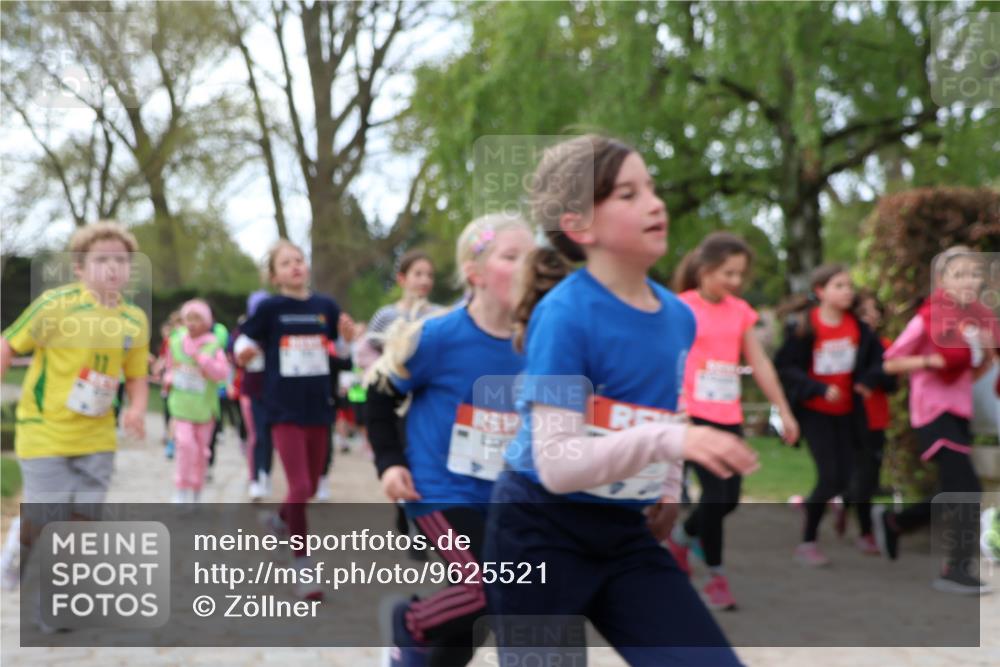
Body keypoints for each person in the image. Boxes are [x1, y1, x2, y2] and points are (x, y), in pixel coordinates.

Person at [484, 135, 758, 666]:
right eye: (628, 194)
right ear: (580, 226)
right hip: (538, 534)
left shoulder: (678, 316)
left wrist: (671, 481)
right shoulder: (566, 316)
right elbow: (559, 465)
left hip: (625, 535)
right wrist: (672, 441)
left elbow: (664, 407)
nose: (655, 203)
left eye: (651, 187)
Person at [366, 213, 534, 667]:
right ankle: (411, 620)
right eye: (511, 256)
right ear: (475, 272)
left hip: (502, 497)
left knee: (489, 609)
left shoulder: (539, 343)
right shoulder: (437, 337)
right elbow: (377, 398)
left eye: (532, 258)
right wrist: (389, 463)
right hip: (436, 492)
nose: (526, 268)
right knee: (490, 585)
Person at [0, 221, 149, 596]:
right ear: (80, 268)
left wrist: (137, 409)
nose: (113, 267)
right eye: (101, 259)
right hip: (44, 429)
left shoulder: (135, 319)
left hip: (97, 436)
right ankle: (24, 541)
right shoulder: (55, 306)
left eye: (121, 260)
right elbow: (8, 345)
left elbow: (136, 376)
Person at [667, 232, 800, 610]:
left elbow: (759, 363)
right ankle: (717, 578)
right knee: (713, 495)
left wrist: (783, 410)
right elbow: (667, 358)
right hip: (692, 416)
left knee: (729, 500)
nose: (736, 282)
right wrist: (679, 409)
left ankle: (681, 536)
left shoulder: (739, 311)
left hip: (729, 415)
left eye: (740, 275)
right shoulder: (681, 308)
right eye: (728, 273)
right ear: (705, 269)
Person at [875, 246, 998, 595]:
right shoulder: (928, 317)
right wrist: (930, 363)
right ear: (942, 280)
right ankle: (954, 570)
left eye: (974, 274)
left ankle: (897, 521)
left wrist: (985, 358)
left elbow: (971, 372)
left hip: (960, 412)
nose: (969, 281)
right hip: (932, 412)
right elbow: (891, 362)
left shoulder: (974, 321)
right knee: (967, 490)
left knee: (952, 490)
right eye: (960, 274)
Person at [236, 240, 354, 600]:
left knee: (312, 487)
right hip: (283, 409)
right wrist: (244, 351)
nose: (295, 266)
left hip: (319, 406)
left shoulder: (325, 307)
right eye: (286, 263)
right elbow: (243, 340)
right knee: (300, 486)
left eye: (299, 259)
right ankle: (303, 568)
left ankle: (278, 521)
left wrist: (347, 342)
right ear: (274, 275)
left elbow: (342, 353)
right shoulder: (271, 309)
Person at [774, 263, 884, 566]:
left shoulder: (858, 328)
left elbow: (878, 360)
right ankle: (807, 542)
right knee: (829, 477)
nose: (847, 291)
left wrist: (865, 381)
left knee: (847, 478)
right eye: (839, 285)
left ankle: (814, 505)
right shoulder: (804, 326)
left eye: (849, 286)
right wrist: (818, 388)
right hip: (814, 413)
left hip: (849, 413)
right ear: (820, 291)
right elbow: (785, 366)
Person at [844, 289, 897, 553]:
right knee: (856, 475)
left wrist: (874, 375)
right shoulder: (846, 343)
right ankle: (864, 530)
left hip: (875, 419)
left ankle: (845, 506)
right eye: (864, 312)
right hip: (847, 419)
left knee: (868, 476)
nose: (871, 316)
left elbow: (892, 384)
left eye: (875, 310)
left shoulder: (885, 344)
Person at [165, 300, 229, 503]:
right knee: (184, 445)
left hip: (204, 408)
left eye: (198, 319)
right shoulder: (176, 341)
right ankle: (181, 487)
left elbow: (222, 374)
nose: (192, 323)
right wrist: (168, 378)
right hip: (181, 406)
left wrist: (202, 359)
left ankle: (196, 489)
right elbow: (170, 366)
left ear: (207, 322)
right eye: (189, 318)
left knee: (201, 451)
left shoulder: (213, 345)